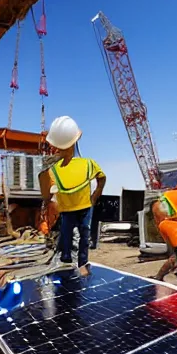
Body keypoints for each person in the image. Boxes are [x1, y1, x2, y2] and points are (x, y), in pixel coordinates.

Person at [39, 116, 106, 276]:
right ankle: (68, 259)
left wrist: (96, 195)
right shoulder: (56, 169)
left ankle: (78, 262)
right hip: (70, 209)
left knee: (79, 233)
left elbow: (46, 196)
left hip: (81, 207)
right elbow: (102, 178)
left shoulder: (83, 164)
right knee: (73, 234)